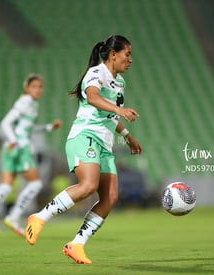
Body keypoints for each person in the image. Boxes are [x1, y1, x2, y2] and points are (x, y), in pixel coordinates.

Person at [25, 35, 142, 264]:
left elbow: (109, 113)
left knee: (110, 196)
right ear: (113, 54)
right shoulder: (96, 73)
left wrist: (127, 137)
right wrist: (121, 111)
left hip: (104, 144)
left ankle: (76, 244)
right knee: (88, 186)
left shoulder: (120, 83)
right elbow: (93, 98)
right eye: (127, 54)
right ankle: (39, 217)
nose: (130, 59)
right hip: (84, 136)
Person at [0, 74, 62, 239]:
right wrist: (13, 140)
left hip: (9, 148)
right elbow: (5, 122)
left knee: (5, 186)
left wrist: (48, 127)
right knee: (36, 183)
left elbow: (27, 128)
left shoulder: (31, 103)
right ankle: (14, 216)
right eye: (34, 86)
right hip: (20, 147)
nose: (38, 90)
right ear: (26, 88)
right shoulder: (25, 102)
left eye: (40, 86)